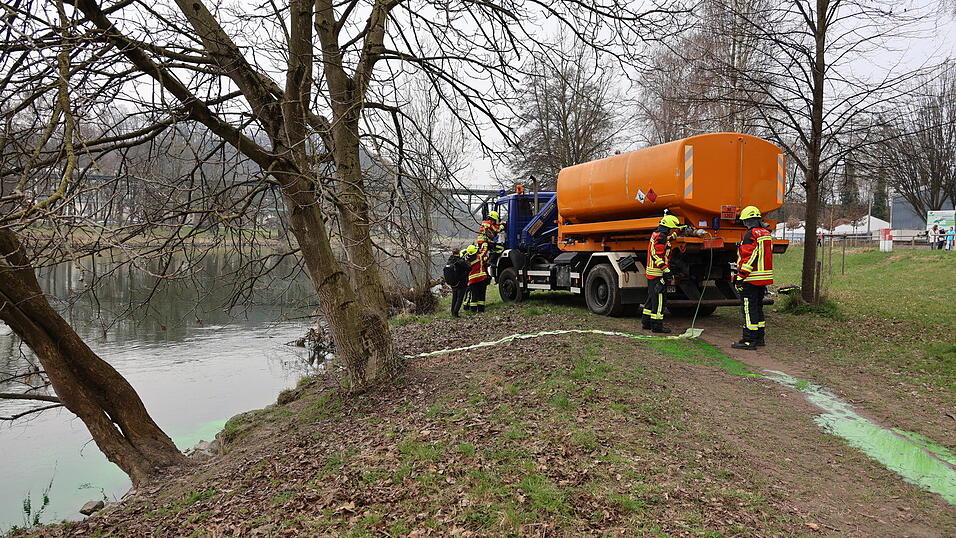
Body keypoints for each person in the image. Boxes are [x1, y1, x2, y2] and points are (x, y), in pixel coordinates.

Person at [731, 205, 774, 350]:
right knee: (758, 307)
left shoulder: (751, 234)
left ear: (747, 221)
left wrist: (740, 276)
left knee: (749, 309)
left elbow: (749, 256)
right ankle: (760, 338)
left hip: (751, 278)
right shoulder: (766, 233)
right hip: (763, 278)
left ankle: (748, 340)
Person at [642, 214, 682, 333]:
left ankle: (646, 322)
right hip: (657, 273)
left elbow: (666, 241)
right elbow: (657, 255)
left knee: (651, 298)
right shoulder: (661, 237)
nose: (672, 231)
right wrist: (665, 269)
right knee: (659, 300)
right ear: (668, 228)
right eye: (672, 229)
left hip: (652, 272)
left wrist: (677, 233)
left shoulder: (658, 234)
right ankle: (657, 325)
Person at [444, 246, 474, 317]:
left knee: (454, 297)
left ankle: (452, 312)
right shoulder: (460, 261)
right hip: (461, 282)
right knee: (459, 298)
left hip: (453, 283)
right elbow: (469, 267)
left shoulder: (450, 260)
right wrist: (466, 260)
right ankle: (455, 313)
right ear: (459, 253)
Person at [465, 243, 490, 313]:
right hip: (481, 278)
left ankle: (473, 310)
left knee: (474, 296)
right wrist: (485, 245)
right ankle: (481, 310)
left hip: (472, 281)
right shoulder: (479, 257)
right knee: (481, 295)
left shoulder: (466, 260)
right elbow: (485, 255)